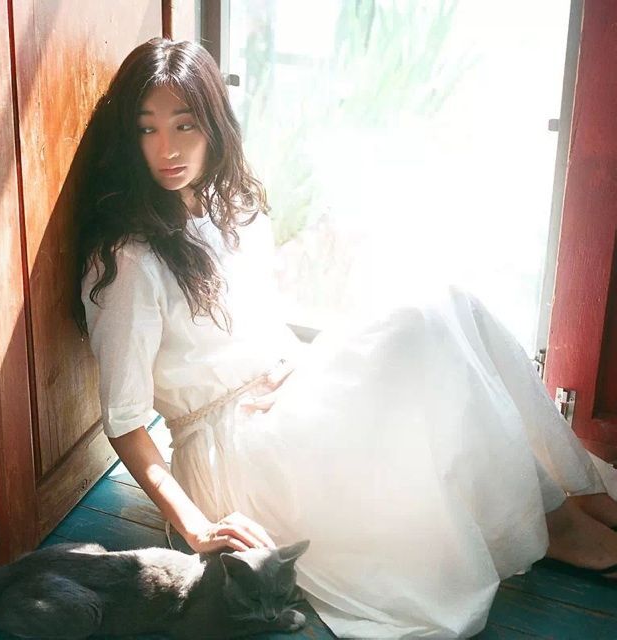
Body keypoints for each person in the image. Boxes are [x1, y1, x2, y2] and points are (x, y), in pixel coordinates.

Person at [75, 38, 617, 638]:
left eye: (185, 124)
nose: (168, 149)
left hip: (284, 389)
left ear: (214, 125)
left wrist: (296, 364)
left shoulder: (224, 211)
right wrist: (198, 527)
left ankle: (570, 496)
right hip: (231, 452)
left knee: (443, 309)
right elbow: (125, 422)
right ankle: (557, 525)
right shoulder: (128, 262)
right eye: (147, 129)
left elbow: (250, 326)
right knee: (419, 337)